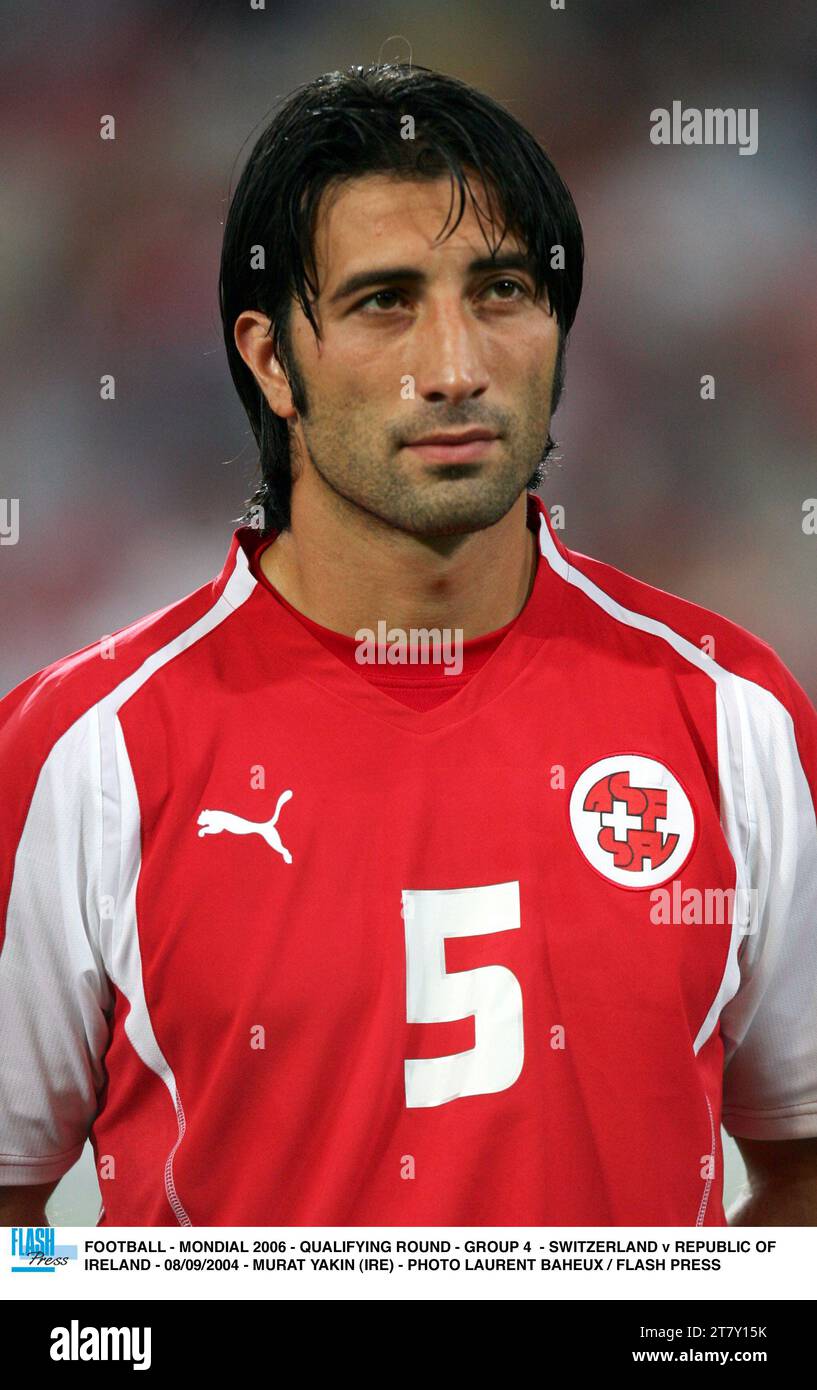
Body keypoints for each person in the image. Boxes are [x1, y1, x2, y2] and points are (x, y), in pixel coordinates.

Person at [1, 64, 816, 1228]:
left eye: (501, 291)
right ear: (272, 359)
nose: (455, 366)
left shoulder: (735, 717)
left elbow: (804, 1167)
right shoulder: (80, 753)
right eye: (386, 300)